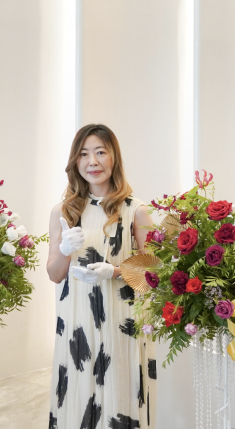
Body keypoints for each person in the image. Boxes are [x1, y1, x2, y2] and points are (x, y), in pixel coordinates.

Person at [46, 124, 156, 429]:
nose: (92, 161)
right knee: (77, 395)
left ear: (114, 157)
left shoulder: (135, 210)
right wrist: (65, 250)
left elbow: (154, 273)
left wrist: (116, 271)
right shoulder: (63, 211)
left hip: (121, 320)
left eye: (100, 152)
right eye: (84, 154)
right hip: (76, 321)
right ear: (75, 161)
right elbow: (54, 274)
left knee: (119, 397)